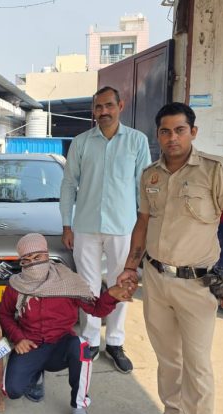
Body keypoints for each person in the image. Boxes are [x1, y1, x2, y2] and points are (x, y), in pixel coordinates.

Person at [116, 102, 223, 414]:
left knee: (197, 364)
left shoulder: (215, 171)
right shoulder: (150, 175)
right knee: (167, 357)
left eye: (179, 130)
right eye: (165, 131)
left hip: (196, 284)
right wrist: (130, 267)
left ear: (193, 132)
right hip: (156, 280)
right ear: (158, 135)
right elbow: (142, 223)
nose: (172, 138)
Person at [0, 233, 137, 414]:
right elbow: (4, 314)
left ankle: (79, 408)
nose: (33, 264)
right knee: (12, 390)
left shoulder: (68, 281)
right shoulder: (16, 285)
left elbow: (96, 309)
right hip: (30, 344)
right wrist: (18, 338)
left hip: (60, 345)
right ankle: (36, 374)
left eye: (37, 257)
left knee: (81, 346)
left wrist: (111, 295)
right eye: (26, 260)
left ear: (47, 255)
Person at [59, 86, 151, 371]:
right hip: (85, 225)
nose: (103, 111)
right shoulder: (81, 143)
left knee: (120, 283)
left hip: (123, 227)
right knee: (87, 286)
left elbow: (143, 186)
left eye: (109, 105)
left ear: (120, 106)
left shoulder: (136, 141)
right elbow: (69, 184)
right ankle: (89, 339)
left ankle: (114, 341)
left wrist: (144, 227)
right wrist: (66, 224)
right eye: (98, 107)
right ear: (94, 111)